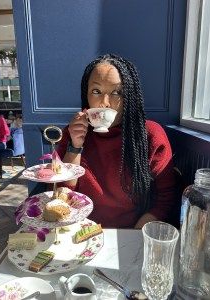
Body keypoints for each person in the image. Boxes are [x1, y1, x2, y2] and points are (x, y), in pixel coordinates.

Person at [57, 54, 177, 229]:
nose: (105, 103)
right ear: (86, 95)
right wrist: (75, 146)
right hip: (80, 230)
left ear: (129, 97)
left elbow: (165, 199)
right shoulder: (73, 131)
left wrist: (133, 238)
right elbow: (63, 194)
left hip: (132, 232)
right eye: (96, 91)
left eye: (117, 92)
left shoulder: (149, 135)